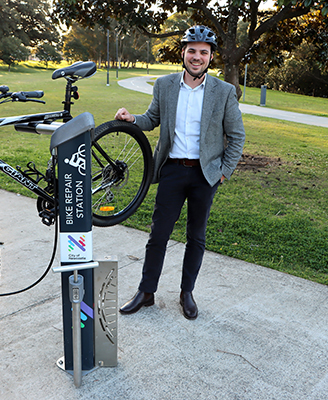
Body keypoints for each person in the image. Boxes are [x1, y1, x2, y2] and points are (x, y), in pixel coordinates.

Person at [115, 25, 245, 320]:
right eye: (192, 51)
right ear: (183, 53)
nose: (196, 57)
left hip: (205, 175)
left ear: (211, 57)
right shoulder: (164, 85)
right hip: (172, 170)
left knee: (196, 237)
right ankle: (146, 292)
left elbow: (237, 136)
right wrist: (131, 118)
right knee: (158, 234)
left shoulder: (223, 92)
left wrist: (224, 171)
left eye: (203, 52)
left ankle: (187, 293)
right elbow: (152, 119)